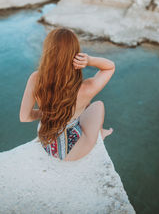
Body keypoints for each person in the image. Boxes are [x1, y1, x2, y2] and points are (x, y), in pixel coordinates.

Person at [19, 27, 115, 161]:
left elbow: (25, 117)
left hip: (46, 143)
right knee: (98, 105)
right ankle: (100, 133)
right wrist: (89, 60)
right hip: (70, 153)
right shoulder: (86, 88)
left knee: (85, 105)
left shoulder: (36, 79)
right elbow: (110, 67)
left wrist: (49, 112)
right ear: (75, 55)